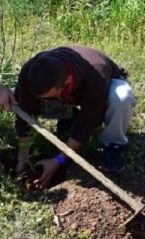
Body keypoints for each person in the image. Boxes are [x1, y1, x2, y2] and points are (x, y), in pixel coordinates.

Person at [14, 46, 137, 189]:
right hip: (69, 92)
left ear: (67, 82)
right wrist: (23, 157)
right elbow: (25, 113)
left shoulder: (97, 73)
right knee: (20, 98)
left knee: (121, 98)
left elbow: (88, 123)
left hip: (103, 85)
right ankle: (69, 116)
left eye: (52, 96)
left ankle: (114, 144)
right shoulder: (30, 71)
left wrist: (58, 160)